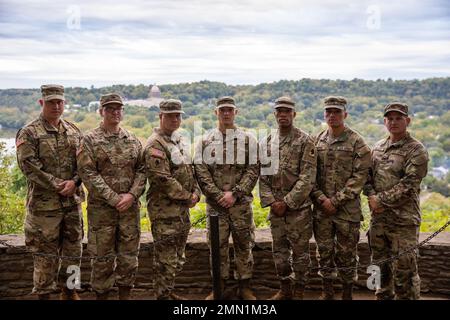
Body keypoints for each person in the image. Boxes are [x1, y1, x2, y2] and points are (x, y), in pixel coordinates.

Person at [16, 84, 84, 300]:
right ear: (41, 103)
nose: (56, 106)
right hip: (44, 209)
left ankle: (70, 291)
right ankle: (44, 295)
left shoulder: (73, 130)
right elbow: (29, 167)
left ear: (64, 103)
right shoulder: (29, 132)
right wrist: (59, 185)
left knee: (74, 253)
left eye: (60, 102)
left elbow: (84, 163)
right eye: (51, 102)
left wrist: (74, 182)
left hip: (71, 205)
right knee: (45, 257)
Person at [77, 93, 146, 300]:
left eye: (118, 109)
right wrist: (115, 199)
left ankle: (125, 296)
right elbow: (87, 174)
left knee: (128, 259)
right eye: (109, 109)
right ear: (101, 112)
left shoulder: (133, 140)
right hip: (102, 212)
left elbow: (142, 170)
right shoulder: (89, 140)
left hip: (129, 211)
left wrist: (132, 195)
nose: (115, 112)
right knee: (101, 259)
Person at [195, 96, 259, 300]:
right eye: (222, 110)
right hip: (216, 207)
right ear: (216, 113)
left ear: (236, 112)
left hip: (240, 205)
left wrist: (236, 193)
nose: (226, 113)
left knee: (244, 244)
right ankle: (218, 287)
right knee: (217, 247)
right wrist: (217, 195)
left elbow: (253, 168)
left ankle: (244, 287)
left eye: (229, 110)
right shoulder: (205, 141)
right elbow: (201, 170)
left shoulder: (248, 140)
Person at [364, 102, 429, 300]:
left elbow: (409, 184)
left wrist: (379, 200)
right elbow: (366, 178)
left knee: (405, 274)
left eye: (398, 118)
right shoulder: (377, 148)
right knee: (379, 270)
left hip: (404, 222)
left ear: (407, 121)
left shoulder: (416, 150)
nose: (393, 122)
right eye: (389, 118)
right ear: (384, 121)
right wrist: (371, 196)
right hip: (379, 221)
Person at [311, 96, 371, 300]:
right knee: (324, 252)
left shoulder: (357, 142)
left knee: (347, 254)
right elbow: (309, 174)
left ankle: (347, 294)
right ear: (324, 114)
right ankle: (327, 292)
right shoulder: (317, 140)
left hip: (347, 211)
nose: (332, 115)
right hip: (322, 210)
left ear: (345, 114)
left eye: (337, 112)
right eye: (329, 112)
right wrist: (321, 199)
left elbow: (360, 176)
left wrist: (335, 201)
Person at [259, 96, 317, 300]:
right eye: (279, 111)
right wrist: (273, 202)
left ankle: (299, 292)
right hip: (276, 210)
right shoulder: (267, 142)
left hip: (298, 210)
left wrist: (288, 202)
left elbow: (308, 177)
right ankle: (284, 290)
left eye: (287, 111)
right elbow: (263, 177)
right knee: (280, 254)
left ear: (294, 114)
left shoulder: (305, 140)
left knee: (301, 255)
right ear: (275, 114)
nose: (283, 115)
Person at [144, 99, 201, 300]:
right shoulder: (155, 144)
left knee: (177, 257)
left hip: (181, 211)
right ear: (161, 117)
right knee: (165, 259)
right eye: (170, 116)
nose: (175, 119)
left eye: (178, 115)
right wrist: (188, 197)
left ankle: (168, 292)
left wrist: (196, 192)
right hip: (165, 212)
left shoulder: (179, 140)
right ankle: (162, 296)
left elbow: (190, 168)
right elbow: (162, 179)